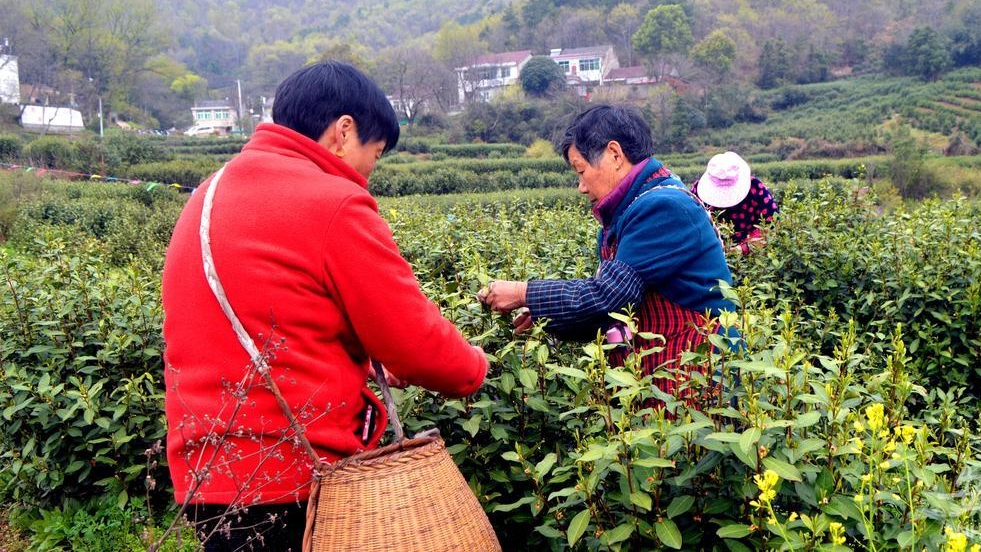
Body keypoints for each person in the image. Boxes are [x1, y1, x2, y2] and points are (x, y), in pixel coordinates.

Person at [161, 61, 488, 551]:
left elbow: (272, 313)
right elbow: (417, 343)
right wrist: (475, 366)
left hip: (209, 477)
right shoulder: (332, 201)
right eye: (374, 154)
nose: (370, 173)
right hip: (296, 480)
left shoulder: (208, 194)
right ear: (344, 131)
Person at [478, 104, 737, 397]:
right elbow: (613, 313)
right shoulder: (628, 210)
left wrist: (524, 292)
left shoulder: (663, 206)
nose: (581, 187)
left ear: (615, 154)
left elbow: (611, 296)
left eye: (581, 170)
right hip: (664, 371)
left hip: (698, 370)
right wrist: (543, 314)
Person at [691, 151, 778, 254]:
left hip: (753, 252)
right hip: (712, 251)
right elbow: (693, 227)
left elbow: (772, 223)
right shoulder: (698, 191)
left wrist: (743, 248)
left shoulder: (755, 188)